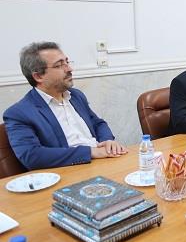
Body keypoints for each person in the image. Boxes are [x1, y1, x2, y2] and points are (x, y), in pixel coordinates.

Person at [3, 42, 128, 170]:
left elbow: (97, 123)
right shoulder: (18, 113)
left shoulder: (76, 95)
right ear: (38, 76)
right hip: (70, 170)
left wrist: (107, 141)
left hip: (103, 162)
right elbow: (32, 156)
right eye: (59, 65)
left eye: (67, 62)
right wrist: (90, 152)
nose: (69, 69)